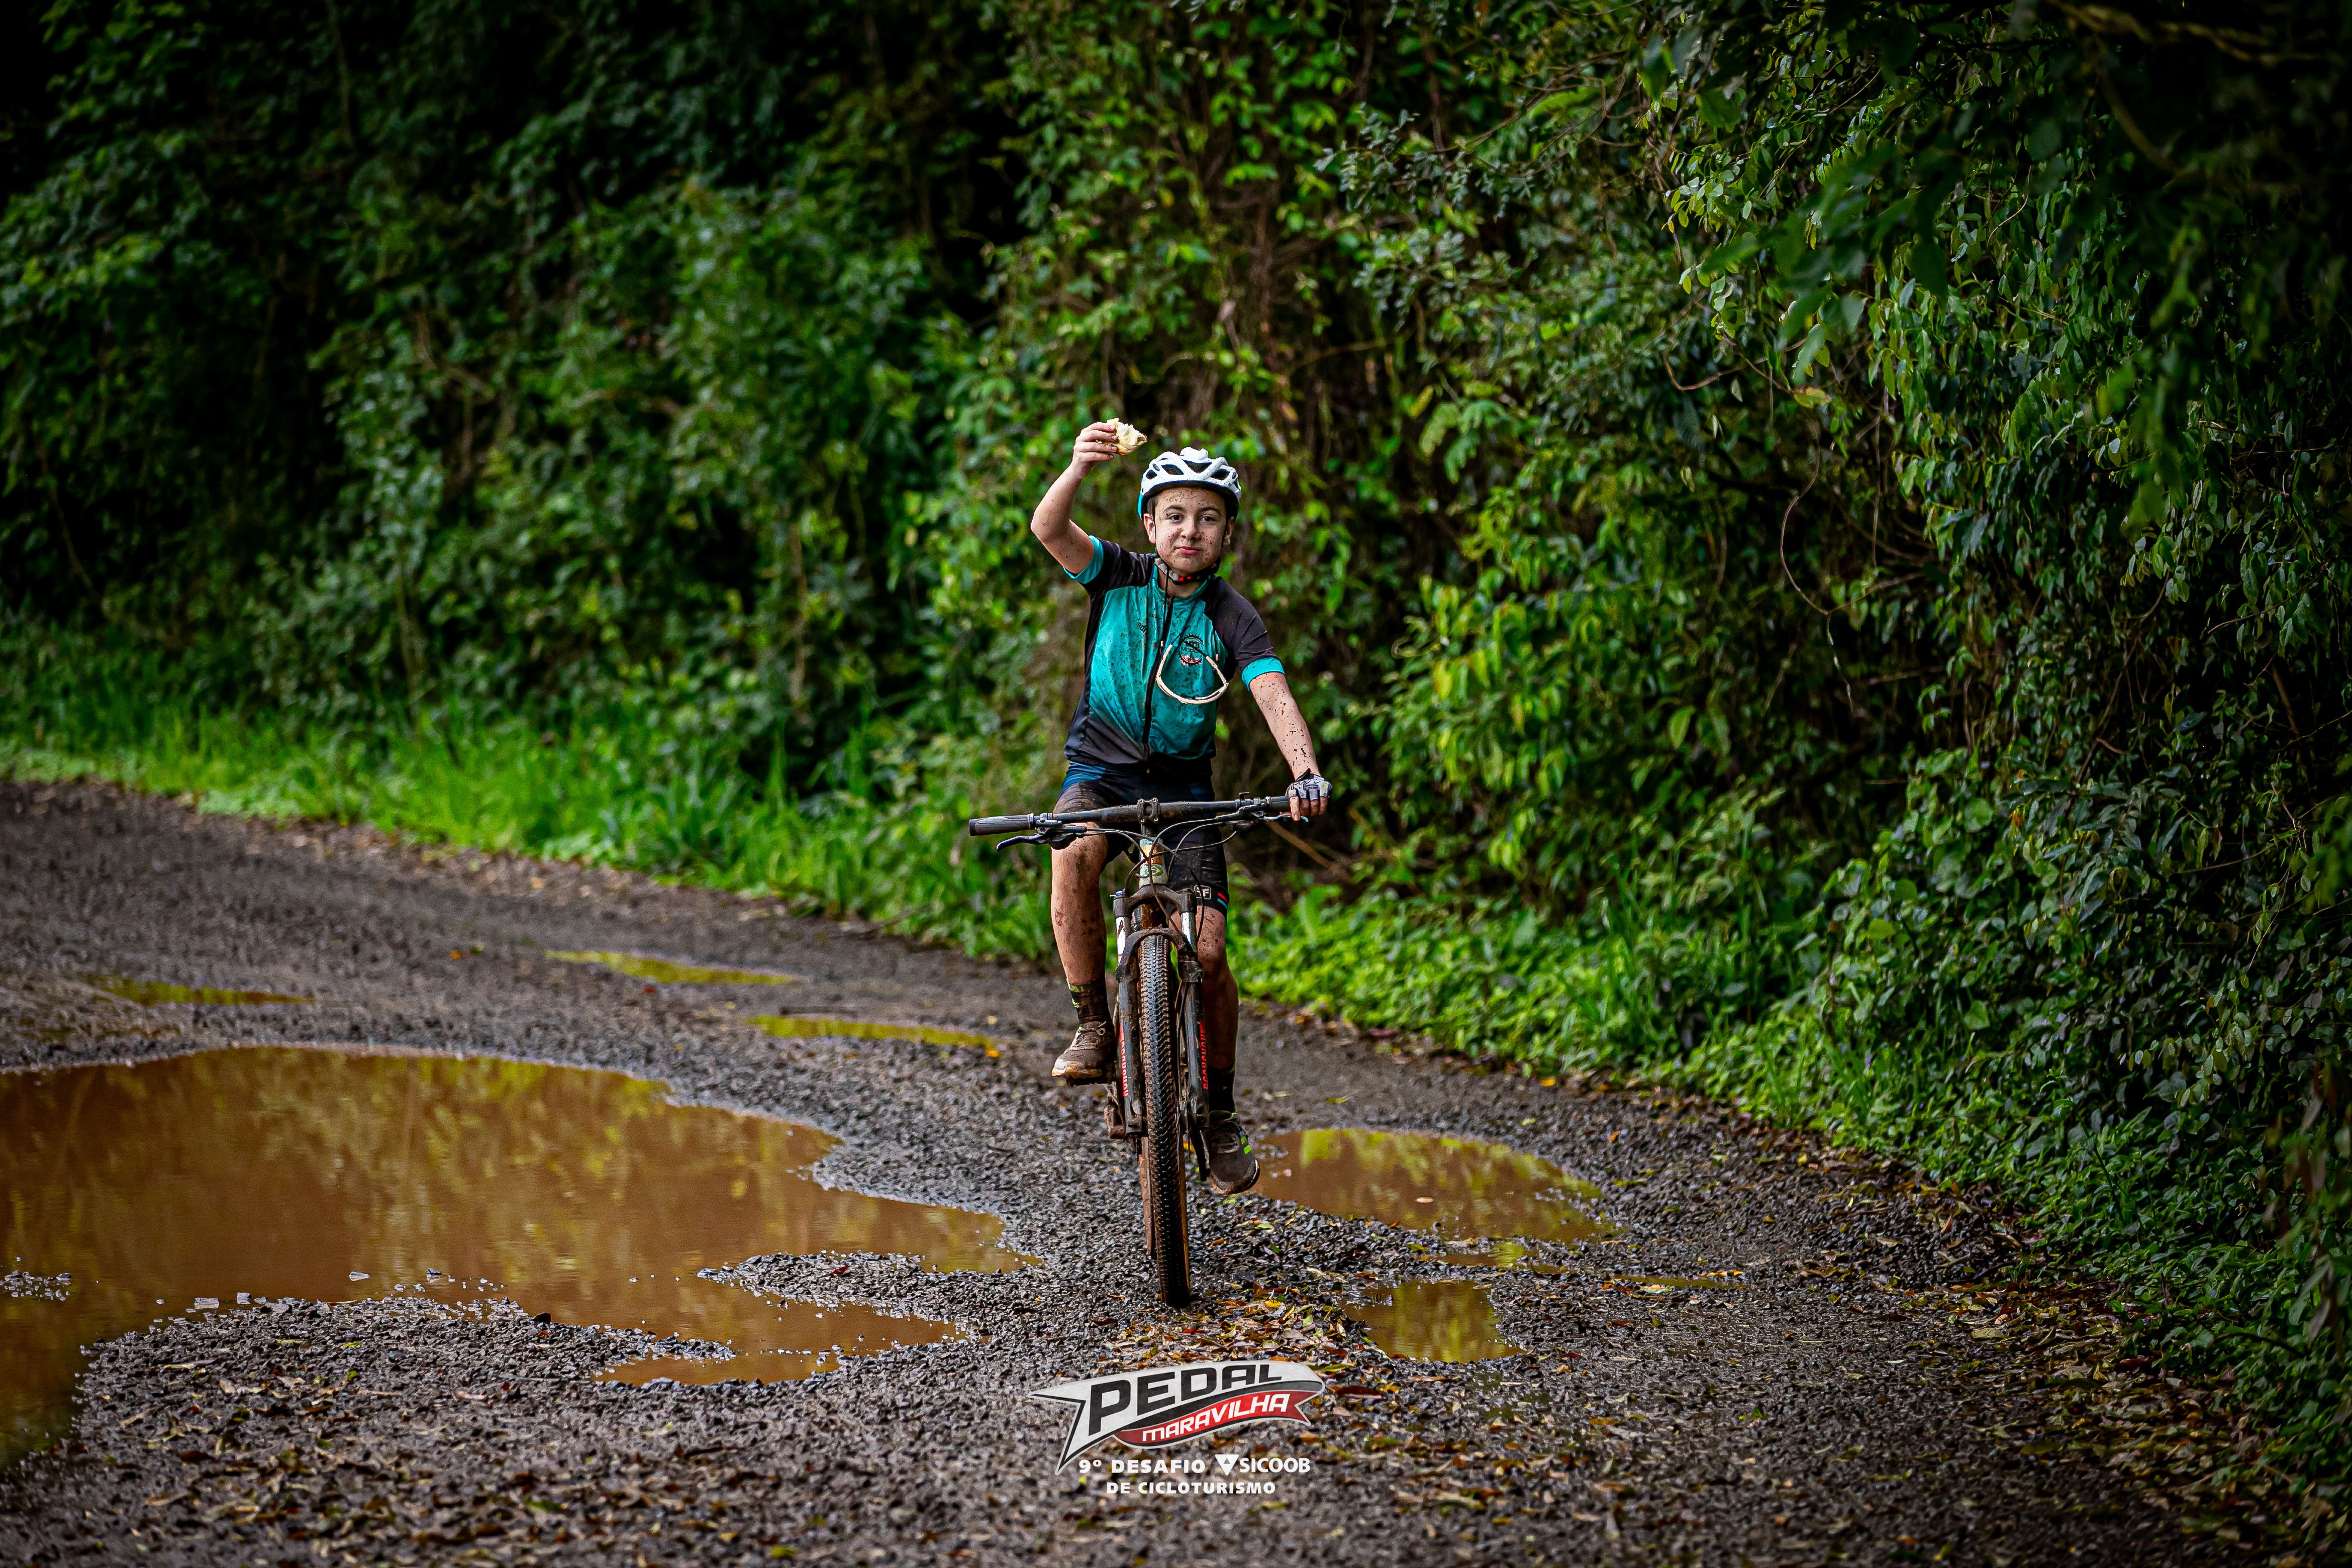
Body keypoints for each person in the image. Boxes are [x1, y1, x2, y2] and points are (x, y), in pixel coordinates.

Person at [1026, 421, 1333, 1195]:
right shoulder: (1114, 575)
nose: (1189, 530)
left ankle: (1220, 1112)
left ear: (1227, 533)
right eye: (1174, 516)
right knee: (1072, 851)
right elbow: (1049, 529)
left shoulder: (1232, 613)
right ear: (1149, 525)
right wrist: (1076, 468)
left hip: (1187, 796)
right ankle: (1094, 1024)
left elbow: (1271, 690)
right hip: (1100, 775)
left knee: (1214, 954)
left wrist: (1304, 770)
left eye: (1207, 517)